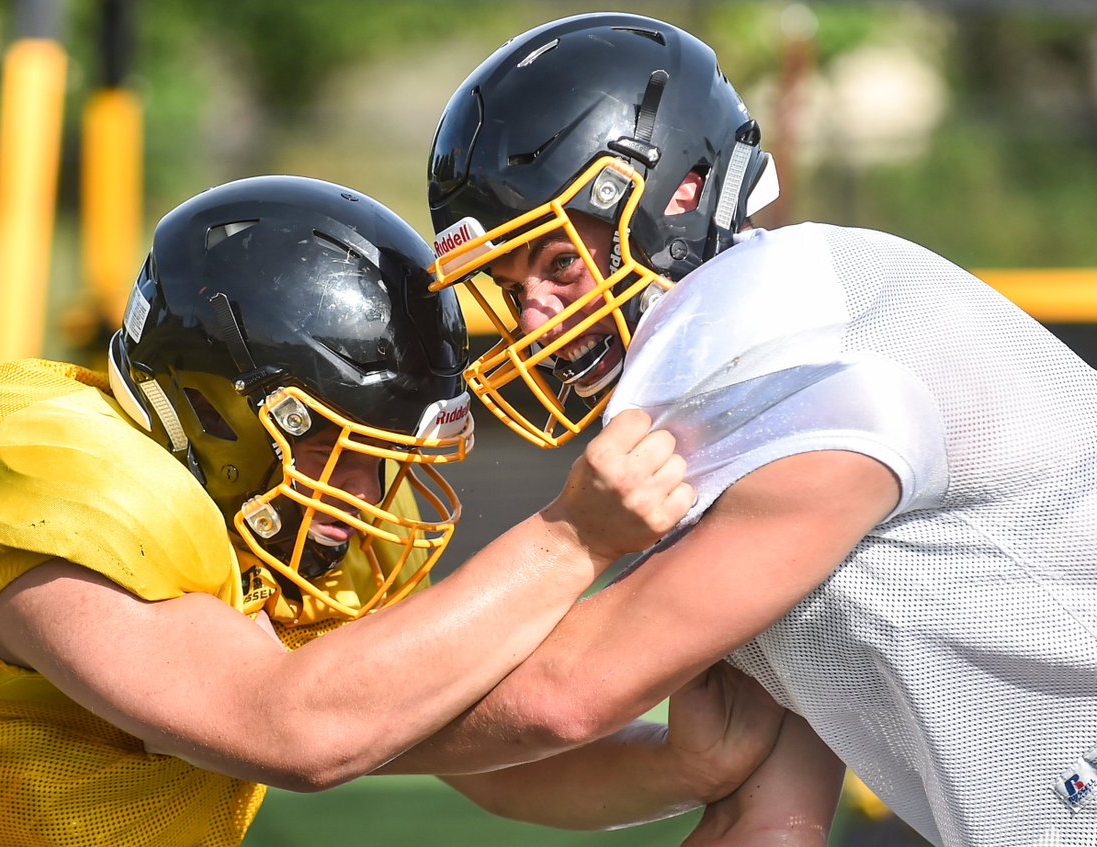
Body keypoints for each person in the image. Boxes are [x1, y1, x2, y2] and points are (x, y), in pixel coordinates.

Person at [0, 174, 778, 847]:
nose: (361, 499)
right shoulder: (57, 476)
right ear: (220, 409)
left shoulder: (264, 517)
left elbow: (466, 735)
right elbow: (290, 728)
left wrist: (679, 763)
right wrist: (573, 537)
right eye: (338, 450)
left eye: (384, 460)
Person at [418, 12, 1097, 847]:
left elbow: (565, 695)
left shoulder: (791, 367)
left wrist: (311, 723)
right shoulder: (726, 386)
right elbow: (769, 819)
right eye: (510, 283)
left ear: (684, 194)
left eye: (559, 264)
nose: (532, 322)